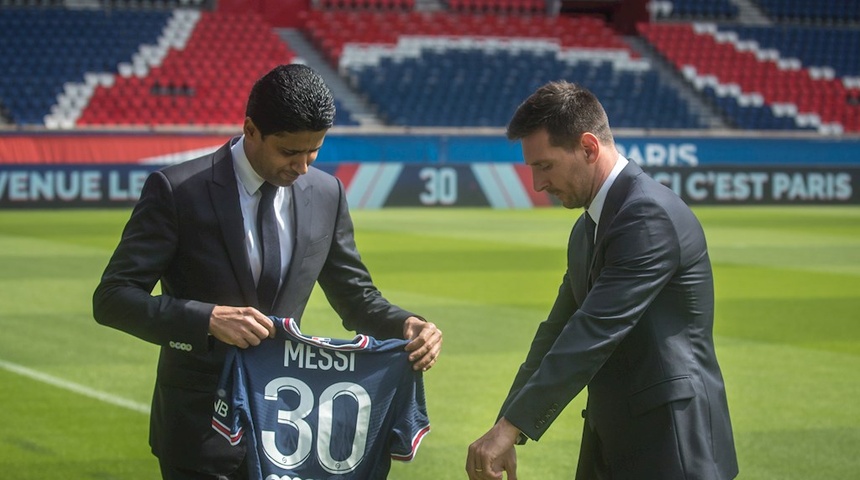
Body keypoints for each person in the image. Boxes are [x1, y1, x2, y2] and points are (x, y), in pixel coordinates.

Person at [93, 64, 442, 480]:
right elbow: (113, 297)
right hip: (198, 428)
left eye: (314, 150)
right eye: (290, 152)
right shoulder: (177, 190)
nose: (303, 167)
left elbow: (355, 295)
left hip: (289, 433)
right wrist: (206, 319)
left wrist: (408, 324)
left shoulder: (326, 193)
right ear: (250, 129)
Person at [466, 81, 737, 480]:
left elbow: (592, 331)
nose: (538, 185)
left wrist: (511, 428)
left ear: (589, 148)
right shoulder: (587, 228)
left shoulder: (646, 216)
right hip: (614, 439)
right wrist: (507, 423)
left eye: (544, 166)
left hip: (672, 445)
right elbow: (556, 333)